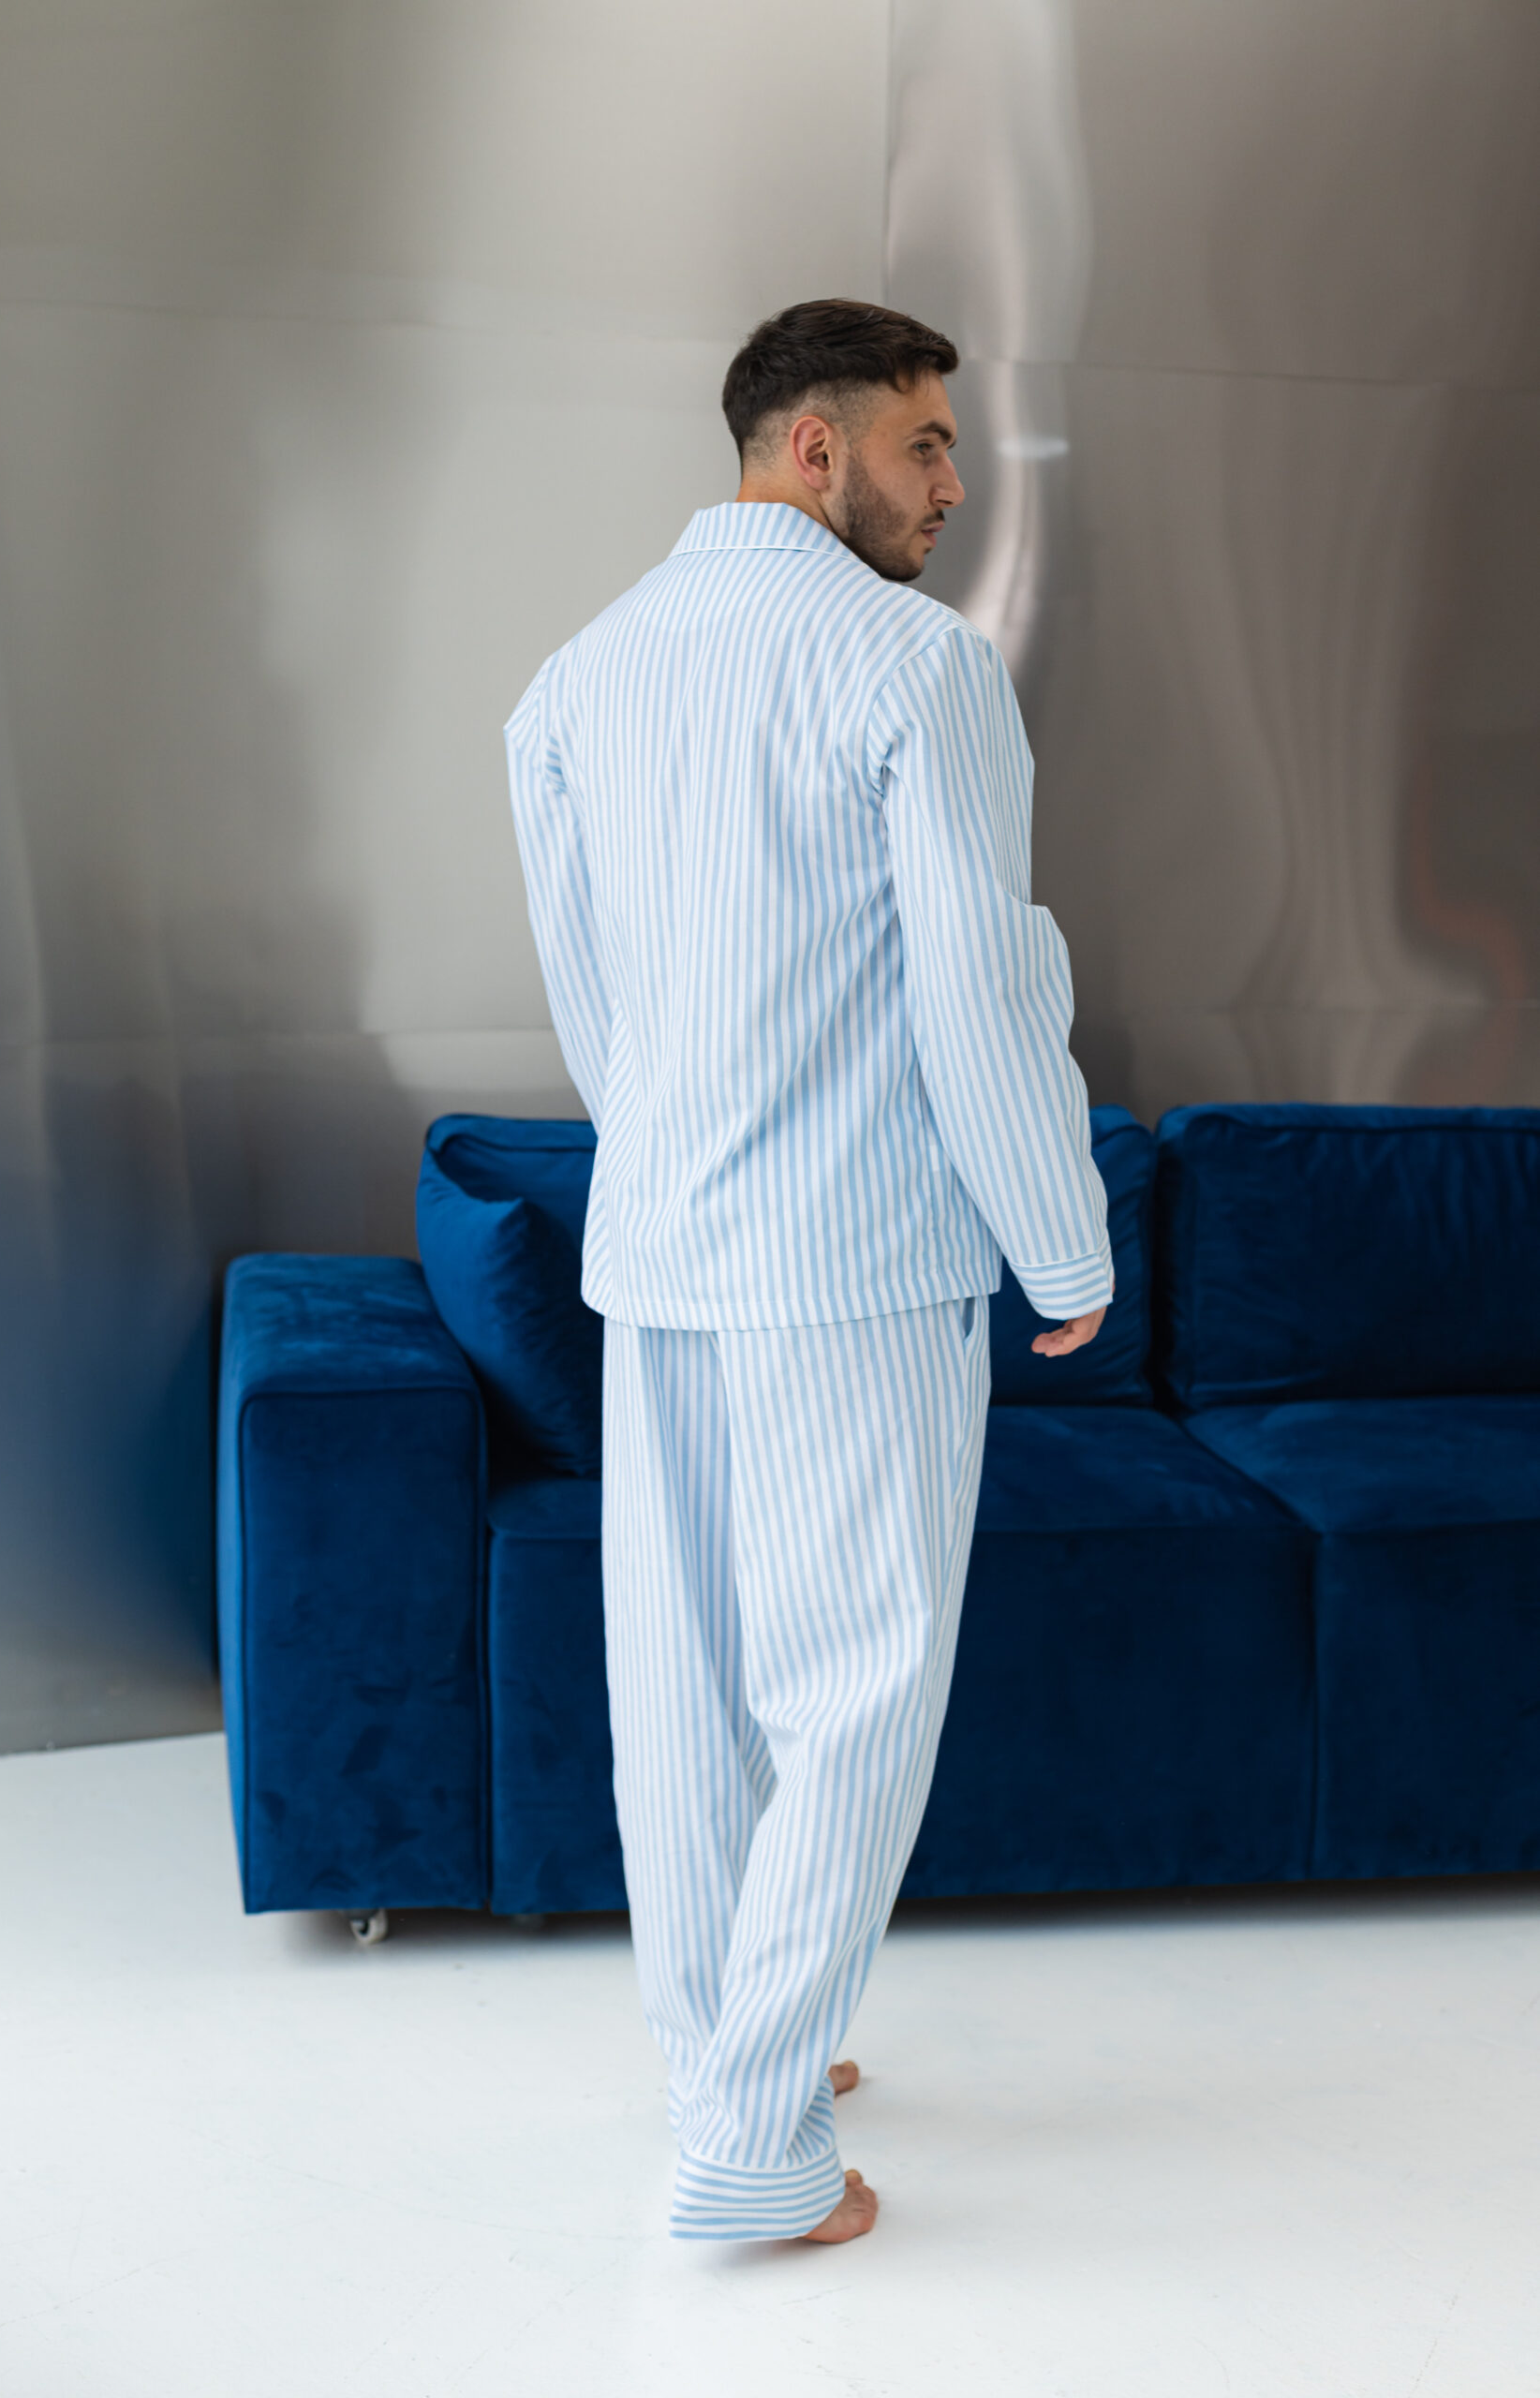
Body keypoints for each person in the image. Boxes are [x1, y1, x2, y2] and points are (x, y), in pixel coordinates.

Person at [506, 298, 1110, 2245]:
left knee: (682, 1690)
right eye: (926, 444)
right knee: (853, 1690)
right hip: (854, 1261)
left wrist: (672, 1162)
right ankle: (754, 2151)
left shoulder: (578, 677)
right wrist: (1060, 1236)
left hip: (662, 1248)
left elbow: (591, 999)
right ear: (812, 447)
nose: (955, 485)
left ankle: (727, 2053)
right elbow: (979, 986)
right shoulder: (914, 666)